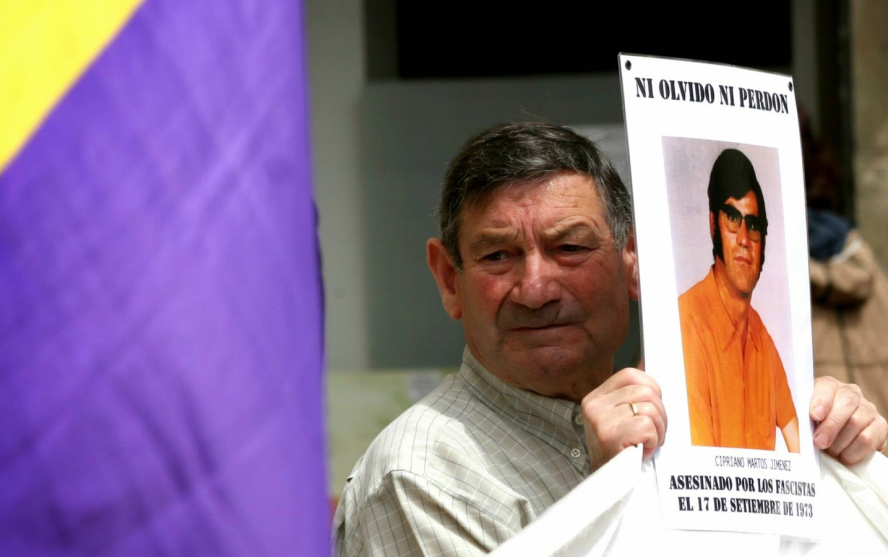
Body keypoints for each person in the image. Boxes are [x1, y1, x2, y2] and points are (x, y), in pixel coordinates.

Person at [332, 123, 887, 556]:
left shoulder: (683, 421)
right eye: (497, 255)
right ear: (450, 280)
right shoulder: (419, 477)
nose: (535, 289)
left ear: (635, 261)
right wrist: (605, 499)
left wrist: (833, 451)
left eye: (570, 248)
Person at [678, 148, 798, 451]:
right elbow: (700, 468)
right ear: (713, 225)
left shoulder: (762, 339)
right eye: (733, 218)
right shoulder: (684, 322)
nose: (745, 239)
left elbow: (800, 445)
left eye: (754, 226)